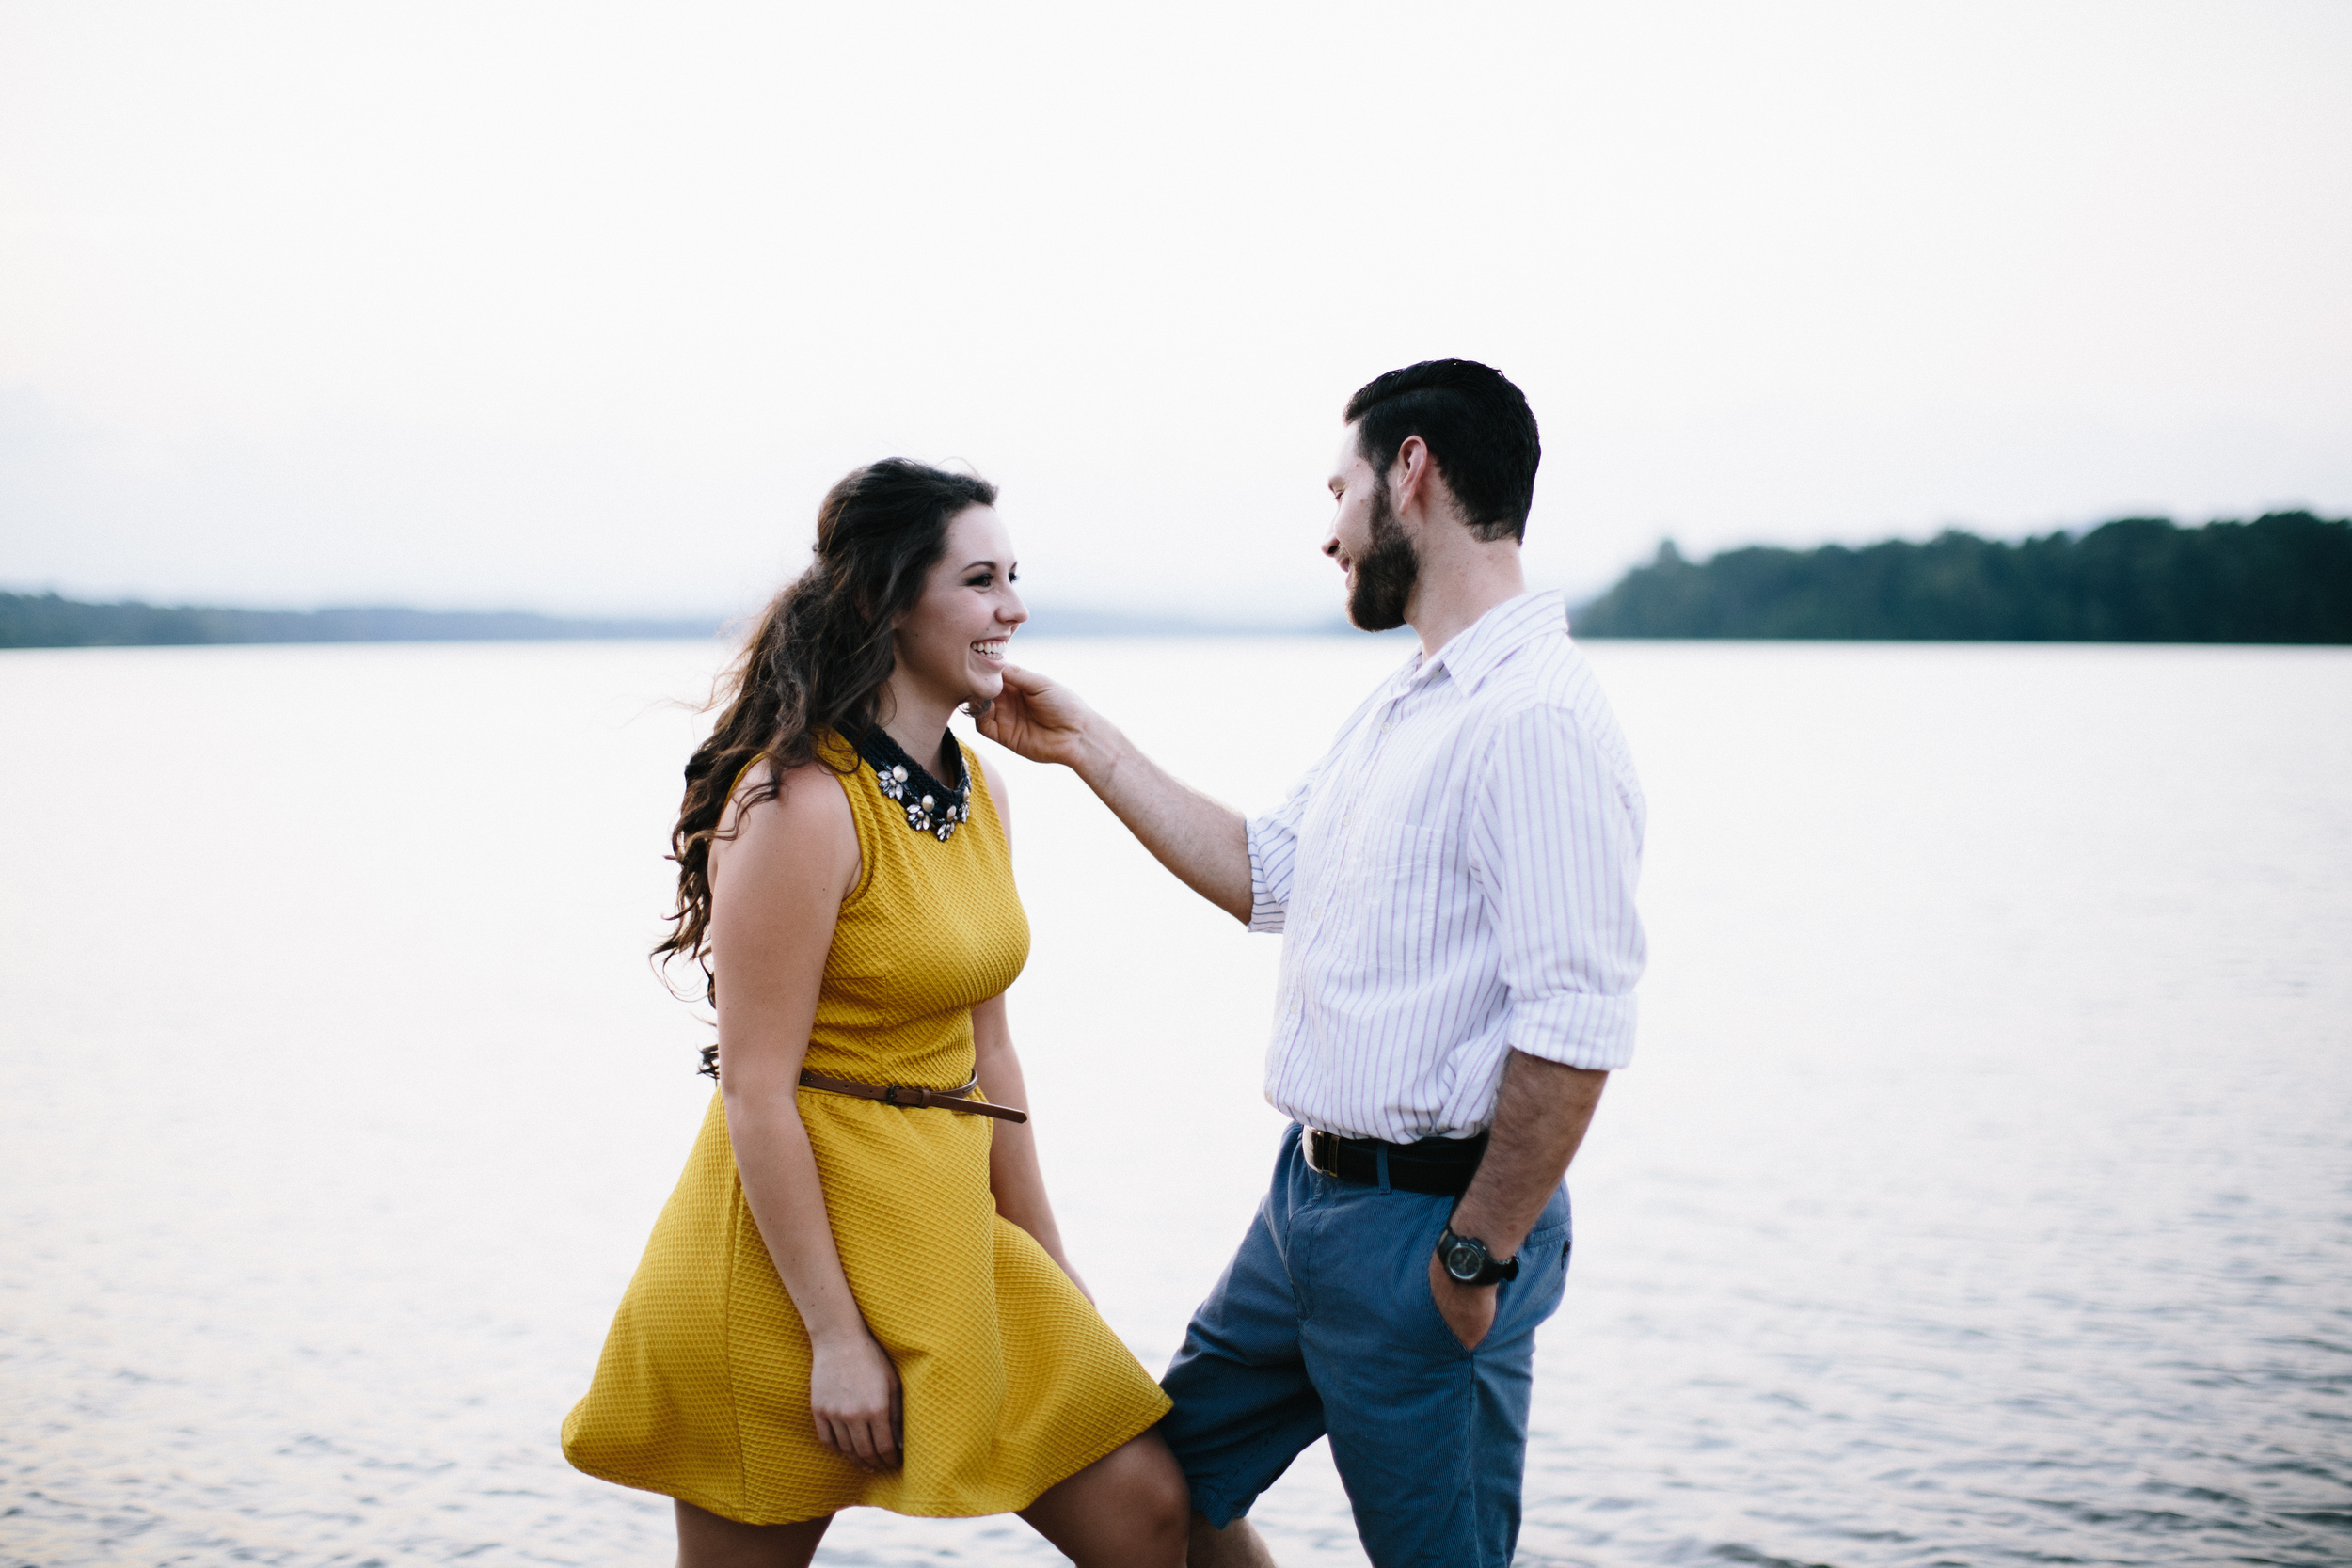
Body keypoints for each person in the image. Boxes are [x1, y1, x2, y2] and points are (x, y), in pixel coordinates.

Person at [977, 359, 1647, 1568]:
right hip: (1307, 1208)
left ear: (1412, 471)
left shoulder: (1532, 717)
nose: (1328, 530)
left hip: (1430, 1229)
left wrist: (1470, 1254)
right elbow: (1271, 872)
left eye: (1337, 488)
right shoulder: (1414, 703)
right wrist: (1087, 745)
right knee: (1157, 1499)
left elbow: (1577, 1021)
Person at [561, 459, 1191, 1567]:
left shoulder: (983, 789)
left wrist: (1051, 1264)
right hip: (781, 1260)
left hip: (948, 1223)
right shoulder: (797, 804)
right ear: (888, 601)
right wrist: (835, 1336)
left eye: (1015, 578)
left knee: (1149, 1511)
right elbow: (755, 1087)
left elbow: (990, 1047)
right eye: (982, 579)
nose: (1014, 607)